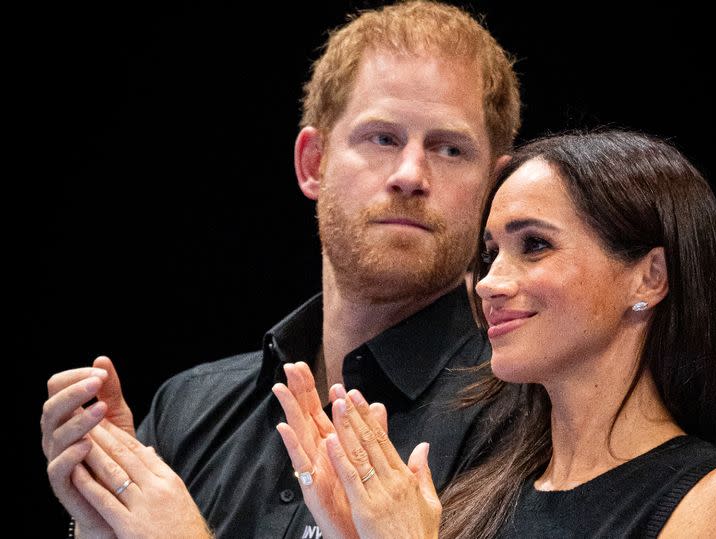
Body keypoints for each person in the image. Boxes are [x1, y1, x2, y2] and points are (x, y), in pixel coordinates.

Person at [40, 2, 520, 537]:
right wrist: (101, 523)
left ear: (494, 190)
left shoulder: (527, 419)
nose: (410, 174)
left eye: (450, 149)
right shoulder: (189, 408)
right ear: (313, 163)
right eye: (382, 139)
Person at [276, 130, 716, 537]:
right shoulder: (475, 496)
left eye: (535, 245)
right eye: (490, 253)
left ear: (649, 277)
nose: (490, 283)